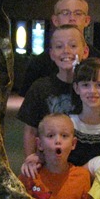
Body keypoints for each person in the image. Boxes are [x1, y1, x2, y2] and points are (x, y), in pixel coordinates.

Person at [17, 0, 100, 98]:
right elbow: (30, 104)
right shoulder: (38, 64)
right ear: (55, 20)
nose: (72, 18)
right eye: (65, 13)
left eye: (78, 13)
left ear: (87, 20)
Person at [17, 24, 89, 156]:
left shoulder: (91, 87)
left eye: (73, 46)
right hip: (50, 160)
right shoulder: (39, 88)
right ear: (52, 54)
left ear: (85, 51)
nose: (66, 50)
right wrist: (30, 158)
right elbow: (30, 131)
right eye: (59, 46)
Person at [18, 113, 92, 199]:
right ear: (39, 144)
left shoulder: (82, 177)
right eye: (50, 136)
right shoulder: (29, 176)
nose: (58, 141)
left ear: (73, 143)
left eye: (64, 136)